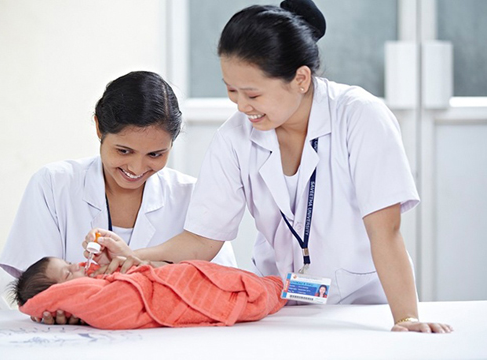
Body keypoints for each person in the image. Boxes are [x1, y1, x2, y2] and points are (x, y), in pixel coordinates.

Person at [86, 1, 453, 333]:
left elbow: (384, 232)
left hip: (364, 304)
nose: (242, 106)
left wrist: (405, 317)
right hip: (283, 304)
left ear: (301, 79)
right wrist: (135, 256)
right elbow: (202, 239)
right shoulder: (235, 138)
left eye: (253, 93)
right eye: (231, 91)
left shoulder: (359, 117)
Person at [0, 71, 236, 324]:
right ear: (100, 127)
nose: (136, 167)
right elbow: (37, 289)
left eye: (155, 155)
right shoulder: (53, 184)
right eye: (124, 151)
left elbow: (218, 286)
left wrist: (143, 264)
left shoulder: (191, 195)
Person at [11, 256, 286, 329]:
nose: (78, 266)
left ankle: (283, 287)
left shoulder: (99, 278)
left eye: (70, 263)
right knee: (255, 291)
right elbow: (122, 299)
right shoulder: (95, 294)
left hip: (183, 275)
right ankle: (281, 287)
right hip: (183, 292)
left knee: (250, 282)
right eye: (69, 272)